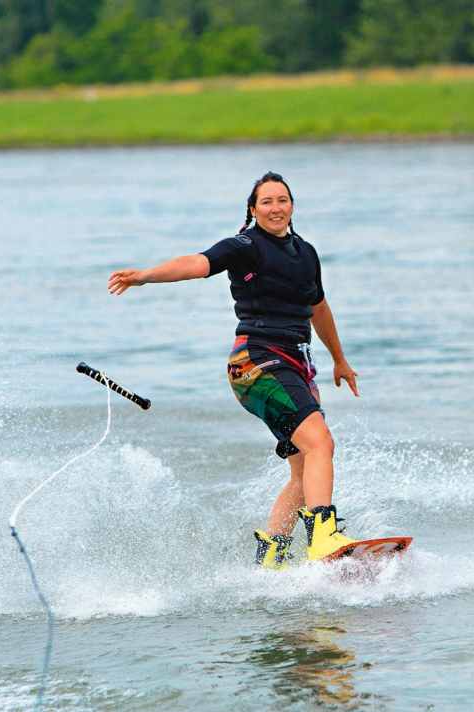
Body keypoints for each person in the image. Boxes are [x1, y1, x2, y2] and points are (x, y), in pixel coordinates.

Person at [108, 171, 362, 569]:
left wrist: (340, 359)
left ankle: (272, 558)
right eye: (267, 201)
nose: (276, 208)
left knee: (303, 470)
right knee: (321, 443)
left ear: (292, 206)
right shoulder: (245, 247)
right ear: (253, 209)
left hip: (296, 365)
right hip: (257, 362)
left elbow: (318, 307)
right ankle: (323, 538)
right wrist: (146, 276)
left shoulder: (306, 253)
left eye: (282, 200)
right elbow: (196, 263)